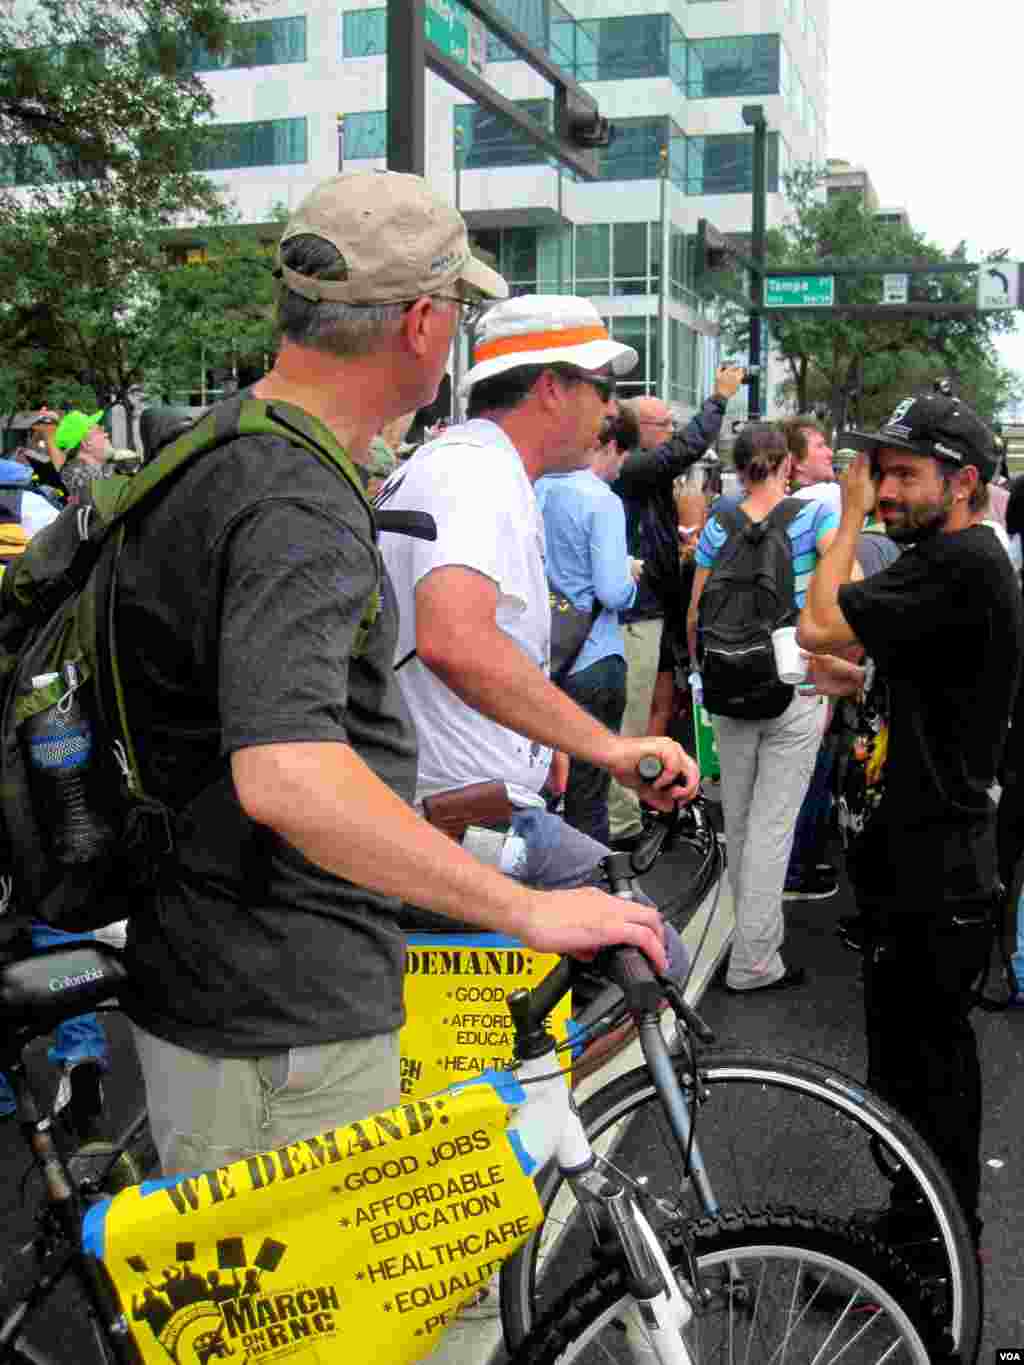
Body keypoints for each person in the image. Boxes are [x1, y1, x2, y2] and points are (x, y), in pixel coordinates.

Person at [113, 172, 674, 1176]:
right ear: (421, 322)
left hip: (234, 969)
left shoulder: (235, 446)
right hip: (277, 1005)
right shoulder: (292, 498)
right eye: (454, 310)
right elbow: (286, 775)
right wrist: (529, 910)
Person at [379, 293, 699, 906]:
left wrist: (538, 736)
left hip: (453, 801)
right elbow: (455, 640)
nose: (610, 410)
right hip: (464, 816)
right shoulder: (476, 476)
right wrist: (611, 748)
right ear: (552, 388)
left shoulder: (460, 465)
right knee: (649, 949)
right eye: (603, 389)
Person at [798, 392, 1024, 1243]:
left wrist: (847, 517)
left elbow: (819, 621)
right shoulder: (953, 559)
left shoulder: (961, 558)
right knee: (909, 1070)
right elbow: (926, 671)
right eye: (877, 473)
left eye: (902, 473)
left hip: (938, 868)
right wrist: (863, 684)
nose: (884, 488)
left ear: (964, 481)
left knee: (929, 1074)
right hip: (915, 863)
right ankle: (916, 1226)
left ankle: (934, 1248)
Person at [687, 423, 838, 992]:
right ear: (786, 465)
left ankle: (746, 937)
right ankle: (754, 961)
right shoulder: (813, 517)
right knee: (774, 826)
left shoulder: (718, 522)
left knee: (743, 823)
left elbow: (697, 609)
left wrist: (702, 672)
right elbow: (846, 580)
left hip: (728, 681)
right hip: (792, 681)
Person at [607, 371, 744, 846]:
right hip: (636, 609)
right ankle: (621, 819)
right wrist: (719, 399)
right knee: (632, 709)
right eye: (662, 423)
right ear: (636, 426)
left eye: (670, 422)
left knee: (660, 699)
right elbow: (683, 450)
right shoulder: (632, 467)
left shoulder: (644, 473)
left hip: (656, 605)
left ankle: (646, 793)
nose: (669, 431)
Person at [536, 405, 643, 844]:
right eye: (624, 457)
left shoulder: (537, 487)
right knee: (588, 793)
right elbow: (613, 592)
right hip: (594, 656)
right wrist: (633, 578)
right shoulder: (602, 501)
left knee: (534, 786)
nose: (622, 468)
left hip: (541, 655)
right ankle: (589, 889)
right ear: (612, 447)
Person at [783, 415, 841, 518]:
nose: (830, 453)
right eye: (820, 446)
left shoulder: (781, 504)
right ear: (797, 462)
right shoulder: (829, 494)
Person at [53, 409, 115, 501]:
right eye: (99, 431)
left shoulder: (103, 468)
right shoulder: (77, 473)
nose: (106, 434)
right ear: (86, 443)